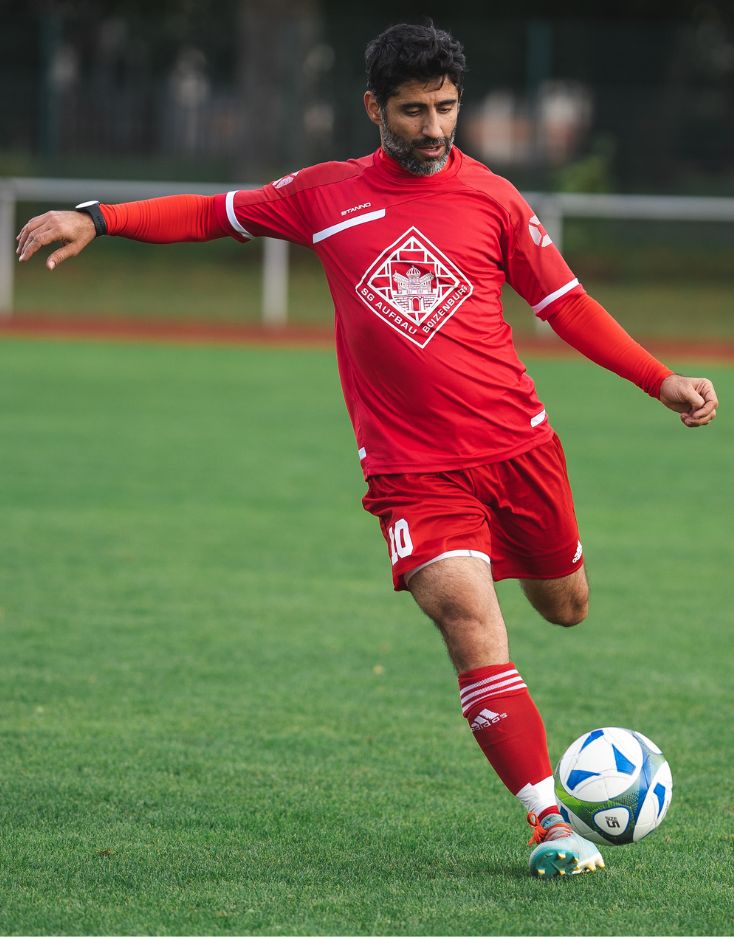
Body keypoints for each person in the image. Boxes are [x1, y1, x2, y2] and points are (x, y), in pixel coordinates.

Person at [16, 22, 718, 878]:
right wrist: (99, 216)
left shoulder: (494, 198)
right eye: (414, 111)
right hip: (411, 471)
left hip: (519, 448)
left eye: (447, 109)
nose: (433, 128)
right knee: (469, 621)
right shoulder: (323, 193)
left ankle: (532, 624)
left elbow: (565, 305)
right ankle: (549, 824)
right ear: (373, 108)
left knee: (565, 605)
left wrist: (661, 380)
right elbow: (211, 212)